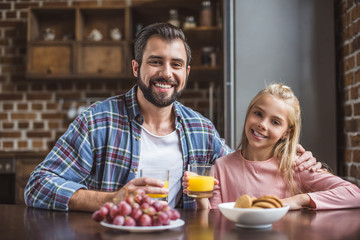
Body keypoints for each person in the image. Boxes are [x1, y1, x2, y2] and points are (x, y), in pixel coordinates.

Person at [24, 23, 320, 212]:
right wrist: (110, 198)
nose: (166, 73)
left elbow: (241, 166)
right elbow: (37, 186)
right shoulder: (97, 121)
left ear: (186, 73)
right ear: (136, 67)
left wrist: (291, 155)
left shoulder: (201, 130)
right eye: (156, 62)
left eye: (176, 64)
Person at [183, 83, 360, 210]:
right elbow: (214, 218)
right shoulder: (222, 166)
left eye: (275, 122)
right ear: (249, 113)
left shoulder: (296, 166)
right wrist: (199, 196)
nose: (262, 124)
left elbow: (354, 194)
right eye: (258, 113)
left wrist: (298, 200)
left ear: (287, 133)